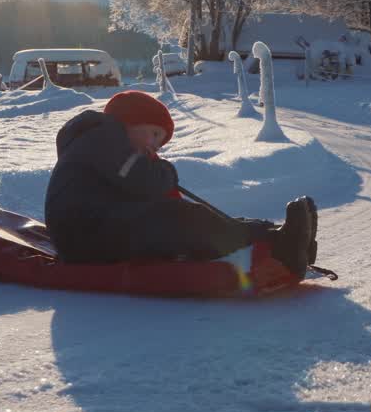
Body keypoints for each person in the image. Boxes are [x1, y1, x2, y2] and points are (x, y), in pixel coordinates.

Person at [43, 90, 318, 277]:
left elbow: (139, 189)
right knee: (183, 219)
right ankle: (276, 243)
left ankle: (277, 236)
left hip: (98, 230)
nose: (153, 145)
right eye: (152, 134)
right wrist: (164, 172)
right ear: (129, 121)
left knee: (187, 216)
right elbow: (143, 181)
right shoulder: (104, 137)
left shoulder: (103, 144)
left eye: (158, 141)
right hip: (87, 237)